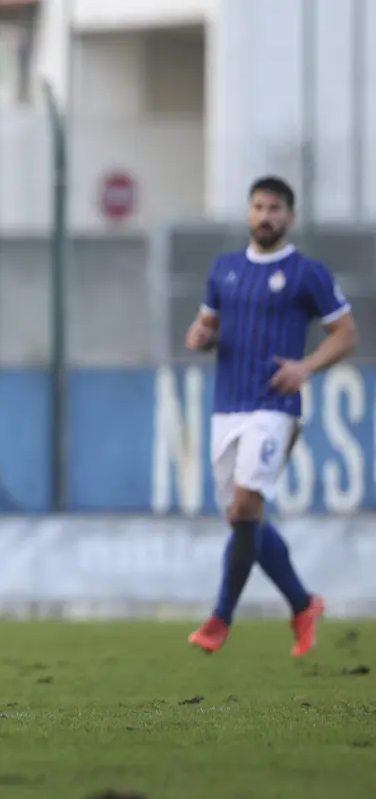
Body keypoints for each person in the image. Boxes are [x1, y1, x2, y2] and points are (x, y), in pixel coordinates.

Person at [185, 175, 355, 656]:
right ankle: (303, 604)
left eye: (275, 208)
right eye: (258, 207)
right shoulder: (224, 269)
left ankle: (219, 619)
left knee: (245, 508)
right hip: (227, 406)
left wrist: (306, 367)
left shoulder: (306, 273)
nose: (265, 216)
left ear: (289, 217)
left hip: (275, 406)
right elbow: (205, 327)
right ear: (248, 212)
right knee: (243, 520)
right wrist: (199, 337)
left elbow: (346, 333)